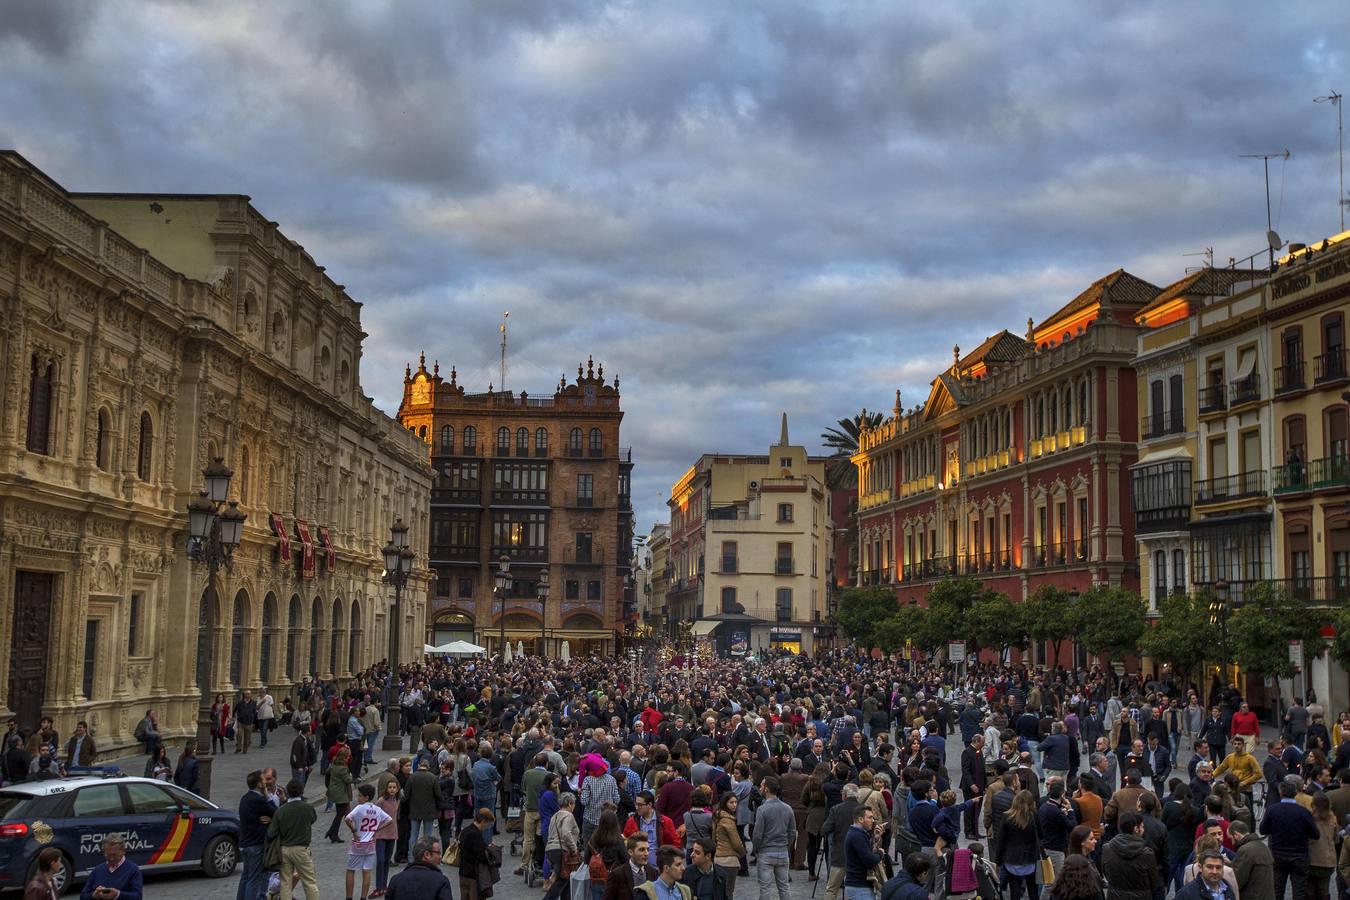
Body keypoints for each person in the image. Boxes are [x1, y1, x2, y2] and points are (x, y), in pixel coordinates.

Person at [1259, 779, 1319, 900]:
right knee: (1299, 891)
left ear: (1281, 793)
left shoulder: (1272, 809)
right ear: (1296, 793)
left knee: (1277, 890)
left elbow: (1263, 830)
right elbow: (1315, 834)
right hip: (1299, 856)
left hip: (1278, 854)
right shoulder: (1303, 812)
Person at [268, 779, 320, 900]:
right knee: (309, 882)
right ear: (302, 791)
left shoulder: (281, 811)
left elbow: (271, 833)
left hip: (284, 849)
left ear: (287, 792)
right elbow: (312, 819)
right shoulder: (307, 808)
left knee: (285, 882)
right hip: (301, 849)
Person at [344, 783, 393, 900]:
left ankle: (349, 897)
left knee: (351, 870)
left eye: (360, 796)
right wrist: (377, 829)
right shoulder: (377, 809)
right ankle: (363, 897)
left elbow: (347, 818)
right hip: (370, 843)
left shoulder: (360, 808)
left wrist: (354, 831)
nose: (358, 798)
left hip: (358, 842)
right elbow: (389, 820)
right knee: (367, 871)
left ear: (366, 797)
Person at [752, 776, 797, 900]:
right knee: (784, 887)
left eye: (761, 785)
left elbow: (757, 834)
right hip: (782, 852)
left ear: (766, 789)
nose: (760, 788)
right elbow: (792, 832)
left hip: (766, 852)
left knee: (765, 888)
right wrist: (786, 846)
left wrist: (756, 849)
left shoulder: (762, 809)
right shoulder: (788, 808)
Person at [1101, 812, 1159, 900]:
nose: (1143, 829)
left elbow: (1105, 872)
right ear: (1136, 829)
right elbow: (1153, 881)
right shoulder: (1146, 854)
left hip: (1115, 895)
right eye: (1142, 826)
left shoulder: (1107, 849)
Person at [996, 790, 1042, 900]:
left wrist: (998, 861)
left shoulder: (1007, 817)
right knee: (1033, 891)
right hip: (1031, 858)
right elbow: (1041, 835)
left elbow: (1001, 841)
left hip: (1012, 858)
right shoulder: (1034, 816)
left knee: (1014, 891)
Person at [237, 770, 272, 900]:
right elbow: (275, 812)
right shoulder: (259, 799)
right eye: (263, 780)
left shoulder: (245, 798)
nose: (265, 782)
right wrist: (267, 797)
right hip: (255, 844)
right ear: (258, 784)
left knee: (245, 876)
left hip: (245, 843)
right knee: (253, 879)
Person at [386, 836, 455, 900]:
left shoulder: (395, 880)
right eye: (438, 853)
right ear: (427, 854)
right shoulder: (441, 881)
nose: (440, 857)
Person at [79, 835, 142, 900]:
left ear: (123, 851)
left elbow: (138, 897)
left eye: (115, 855)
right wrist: (93, 895)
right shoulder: (97, 870)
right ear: (104, 851)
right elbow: (83, 896)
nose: (111, 859)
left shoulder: (133, 870)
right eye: (108, 855)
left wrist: (117, 894)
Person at [543, 793, 581, 900]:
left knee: (567, 880)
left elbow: (550, 834)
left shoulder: (554, 816)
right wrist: (574, 849)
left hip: (551, 850)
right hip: (562, 851)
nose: (574, 807)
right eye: (574, 804)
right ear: (570, 804)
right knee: (562, 879)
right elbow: (565, 833)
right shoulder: (568, 815)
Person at [843, 805, 883, 900]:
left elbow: (866, 852)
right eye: (870, 817)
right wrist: (880, 854)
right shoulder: (857, 835)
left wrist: (876, 839)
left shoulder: (859, 833)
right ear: (860, 819)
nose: (873, 821)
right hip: (859, 886)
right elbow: (869, 860)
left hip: (859, 885)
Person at [1228, 820, 1273, 900]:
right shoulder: (1263, 847)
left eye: (1231, 838)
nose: (1232, 843)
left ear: (1236, 835)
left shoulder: (1245, 850)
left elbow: (1237, 880)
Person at [373, 777, 402, 898]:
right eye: (390, 787)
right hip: (380, 833)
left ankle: (384, 886)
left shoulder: (397, 799)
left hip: (392, 833)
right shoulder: (381, 801)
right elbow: (375, 817)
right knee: (380, 860)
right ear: (386, 788)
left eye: (394, 787)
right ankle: (378, 886)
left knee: (386, 860)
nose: (392, 789)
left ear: (397, 789)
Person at [459, 808, 497, 900]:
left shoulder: (466, 830)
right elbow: (481, 856)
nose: (488, 826)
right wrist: (490, 851)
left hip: (463, 872)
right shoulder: (475, 834)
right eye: (488, 823)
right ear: (483, 821)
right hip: (472, 874)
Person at [326, 746, 356, 842]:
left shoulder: (334, 765)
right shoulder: (342, 768)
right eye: (348, 757)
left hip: (335, 791)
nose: (348, 758)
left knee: (340, 813)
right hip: (341, 793)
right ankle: (333, 834)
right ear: (344, 757)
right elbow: (348, 780)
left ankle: (332, 832)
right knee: (340, 814)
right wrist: (350, 775)